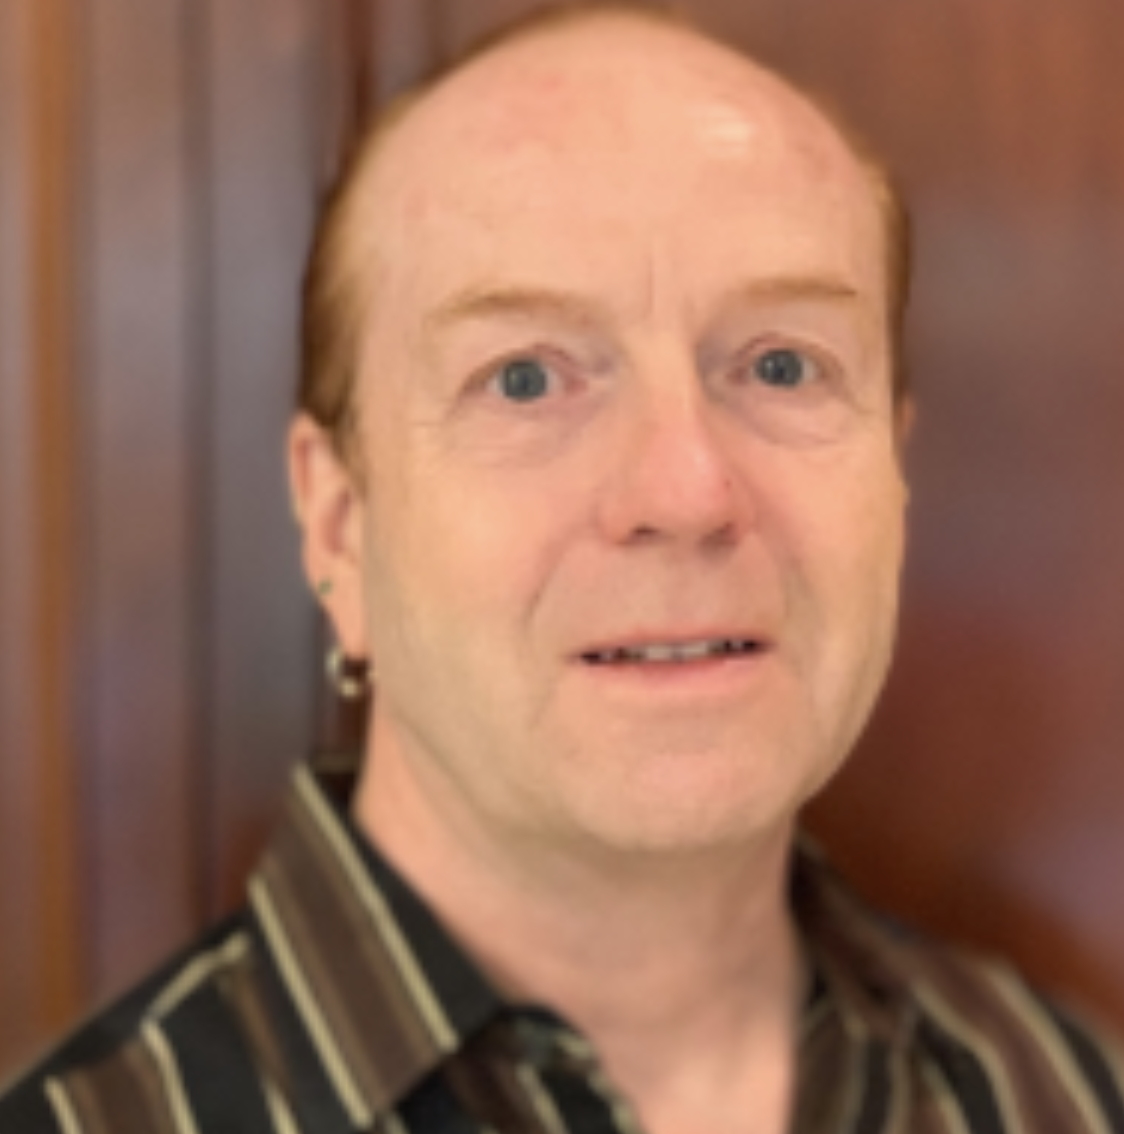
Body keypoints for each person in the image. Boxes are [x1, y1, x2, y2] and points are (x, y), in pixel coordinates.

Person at [3, 4, 1123, 1132]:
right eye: (525, 379)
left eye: (783, 364)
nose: (686, 494)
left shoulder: (1060, 1098)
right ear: (339, 526)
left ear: (892, 475)